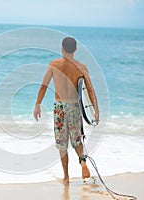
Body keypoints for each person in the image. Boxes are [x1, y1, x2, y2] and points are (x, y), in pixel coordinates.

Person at [33, 37, 99, 184]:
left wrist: (37, 104)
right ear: (75, 49)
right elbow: (89, 89)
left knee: (62, 143)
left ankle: (66, 177)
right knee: (76, 139)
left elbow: (43, 86)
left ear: (62, 48)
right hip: (74, 106)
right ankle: (82, 163)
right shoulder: (81, 67)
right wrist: (96, 110)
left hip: (60, 108)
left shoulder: (54, 64)